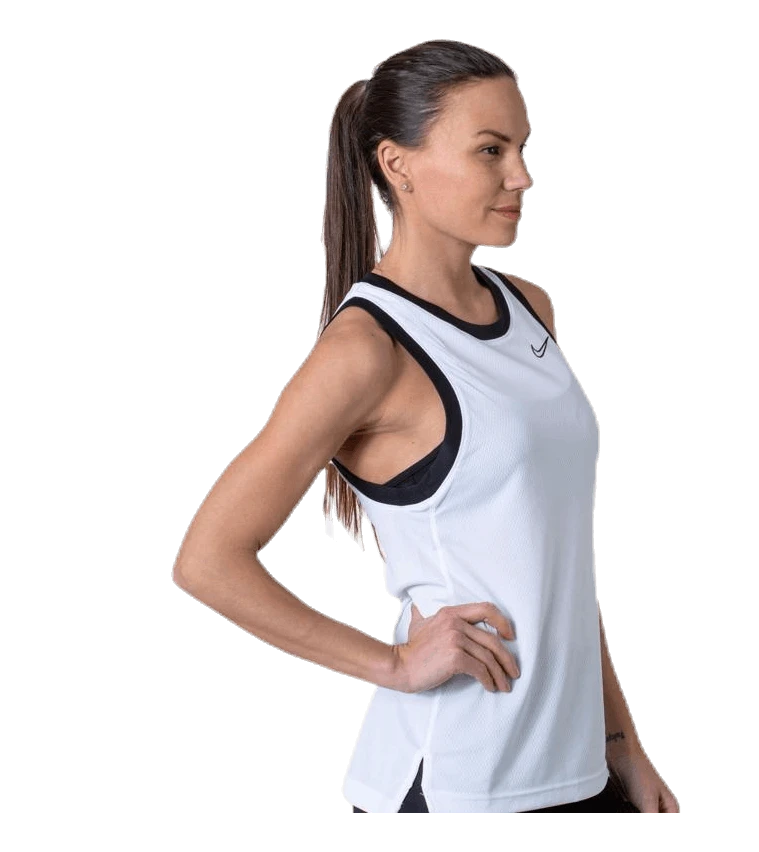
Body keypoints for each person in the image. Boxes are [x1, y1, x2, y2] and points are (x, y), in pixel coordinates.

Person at [172, 39, 679, 816]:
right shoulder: (366, 350)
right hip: (462, 782)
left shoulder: (528, 307)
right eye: (490, 150)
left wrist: (622, 745)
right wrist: (396, 663)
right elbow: (208, 559)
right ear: (397, 164)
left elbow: (558, 562)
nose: (521, 176)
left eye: (521, 149)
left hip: (577, 770)